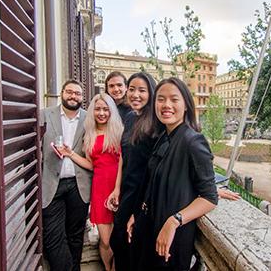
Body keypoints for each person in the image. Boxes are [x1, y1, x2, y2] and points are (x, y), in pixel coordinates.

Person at [129, 77, 218, 270]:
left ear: (186, 105)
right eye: (160, 99)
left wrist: (174, 220)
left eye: (174, 99)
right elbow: (154, 182)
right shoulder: (164, 136)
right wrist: (137, 213)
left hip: (171, 239)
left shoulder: (193, 142)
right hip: (150, 227)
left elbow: (210, 197)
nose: (166, 105)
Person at [59, 93, 124, 271]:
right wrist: (71, 154)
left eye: (105, 109)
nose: (101, 113)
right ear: (92, 111)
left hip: (118, 186)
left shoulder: (119, 132)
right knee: (105, 240)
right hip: (100, 187)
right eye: (97, 109)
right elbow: (91, 164)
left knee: (119, 237)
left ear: (111, 111)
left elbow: (123, 162)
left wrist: (117, 188)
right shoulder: (89, 134)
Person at [40, 80, 91, 271]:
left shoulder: (89, 119)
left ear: (82, 97)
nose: (73, 96)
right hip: (52, 183)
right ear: (62, 93)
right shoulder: (45, 114)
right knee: (53, 237)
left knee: (75, 236)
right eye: (69, 92)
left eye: (77, 93)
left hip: (79, 185)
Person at [110, 72, 159, 271]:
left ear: (151, 93)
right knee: (118, 243)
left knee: (130, 247)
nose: (135, 94)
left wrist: (139, 211)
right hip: (126, 191)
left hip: (142, 195)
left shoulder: (156, 123)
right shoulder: (129, 117)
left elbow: (160, 168)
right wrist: (116, 189)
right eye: (132, 89)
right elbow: (123, 155)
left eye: (142, 90)